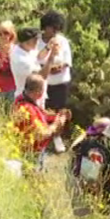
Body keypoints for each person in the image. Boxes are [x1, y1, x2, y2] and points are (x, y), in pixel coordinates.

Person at [11, 74, 70, 168]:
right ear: (38, 92)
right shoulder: (27, 109)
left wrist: (56, 117)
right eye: (43, 89)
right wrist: (56, 124)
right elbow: (42, 134)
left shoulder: (22, 98)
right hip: (32, 152)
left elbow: (42, 116)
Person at [38, 11, 73, 154]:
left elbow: (68, 60)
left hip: (61, 82)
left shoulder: (62, 41)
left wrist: (60, 67)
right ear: (45, 27)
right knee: (44, 110)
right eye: (52, 28)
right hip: (44, 82)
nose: (55, 31)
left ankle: (57, 137)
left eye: (57, 28)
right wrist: (48, 68)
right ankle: (44, 136)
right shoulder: (37, 42)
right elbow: (36, 60)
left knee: (60, 111)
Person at [11, 27, 57, 109]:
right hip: (27, 100)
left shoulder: (26, 49)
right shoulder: (20, 59)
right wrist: (52, 56)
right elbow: (41, 76)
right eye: (35, 39)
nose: (38, 41)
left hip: (37, 97)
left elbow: (38, 56)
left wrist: (48, 47)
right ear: (26, 41)